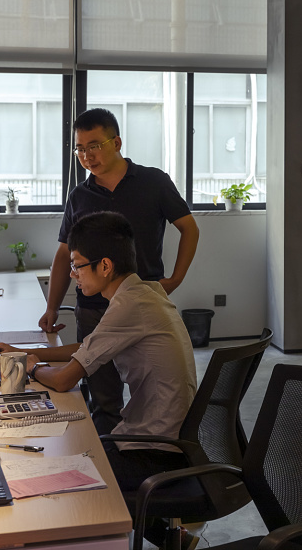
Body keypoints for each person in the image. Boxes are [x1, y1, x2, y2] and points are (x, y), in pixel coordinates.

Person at [0, 211, 197, 492]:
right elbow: (88, 346)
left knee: (54, 464)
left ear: (105, 266)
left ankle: (141, 527)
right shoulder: (145, 291)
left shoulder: (128, 306)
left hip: (155, 452)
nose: (73, 275)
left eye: (77, 266)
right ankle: (166, 534)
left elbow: (63, 380)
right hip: (168, 439)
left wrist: (31, 367)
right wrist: (21, 351)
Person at [39, 107, 199, 432]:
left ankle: (118, 462)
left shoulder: (153, 182)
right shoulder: (79, 196)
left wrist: (176, 279)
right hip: (94, 307)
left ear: (117, 142)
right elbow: (63, 254)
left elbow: (189, 229)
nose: (86, 155)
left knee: (145, 381)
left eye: (94, 145)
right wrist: (52, 306)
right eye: (80, 148)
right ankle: (108, 455)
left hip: (140, 298)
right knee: (102, 397)